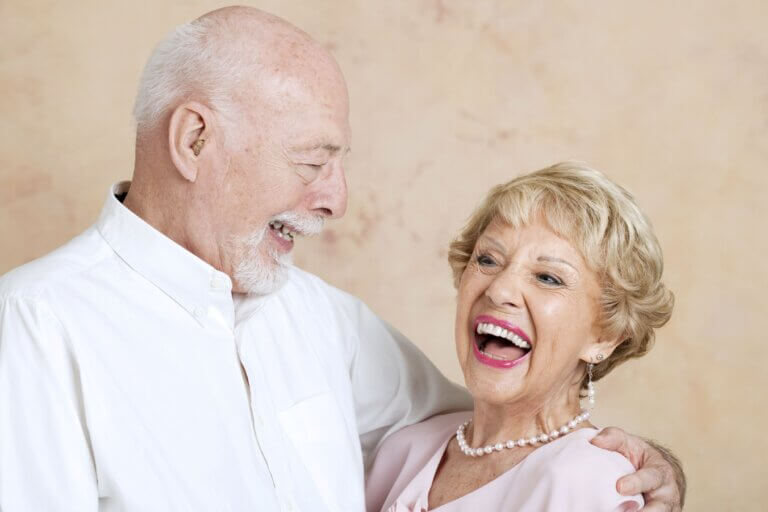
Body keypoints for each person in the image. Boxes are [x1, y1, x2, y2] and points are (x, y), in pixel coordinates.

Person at [0, 7, 683, 512]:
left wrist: (645, 467)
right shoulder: (37, 327)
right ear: (194, 139)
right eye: (312, 160)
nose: (335, 202)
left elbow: (498, 430)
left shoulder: (321, 318)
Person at [366, 162, 682, 511]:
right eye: (488, 260)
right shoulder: (403, 451)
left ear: (605, 336)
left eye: (548, 278)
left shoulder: (594, 481)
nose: (499, 290)